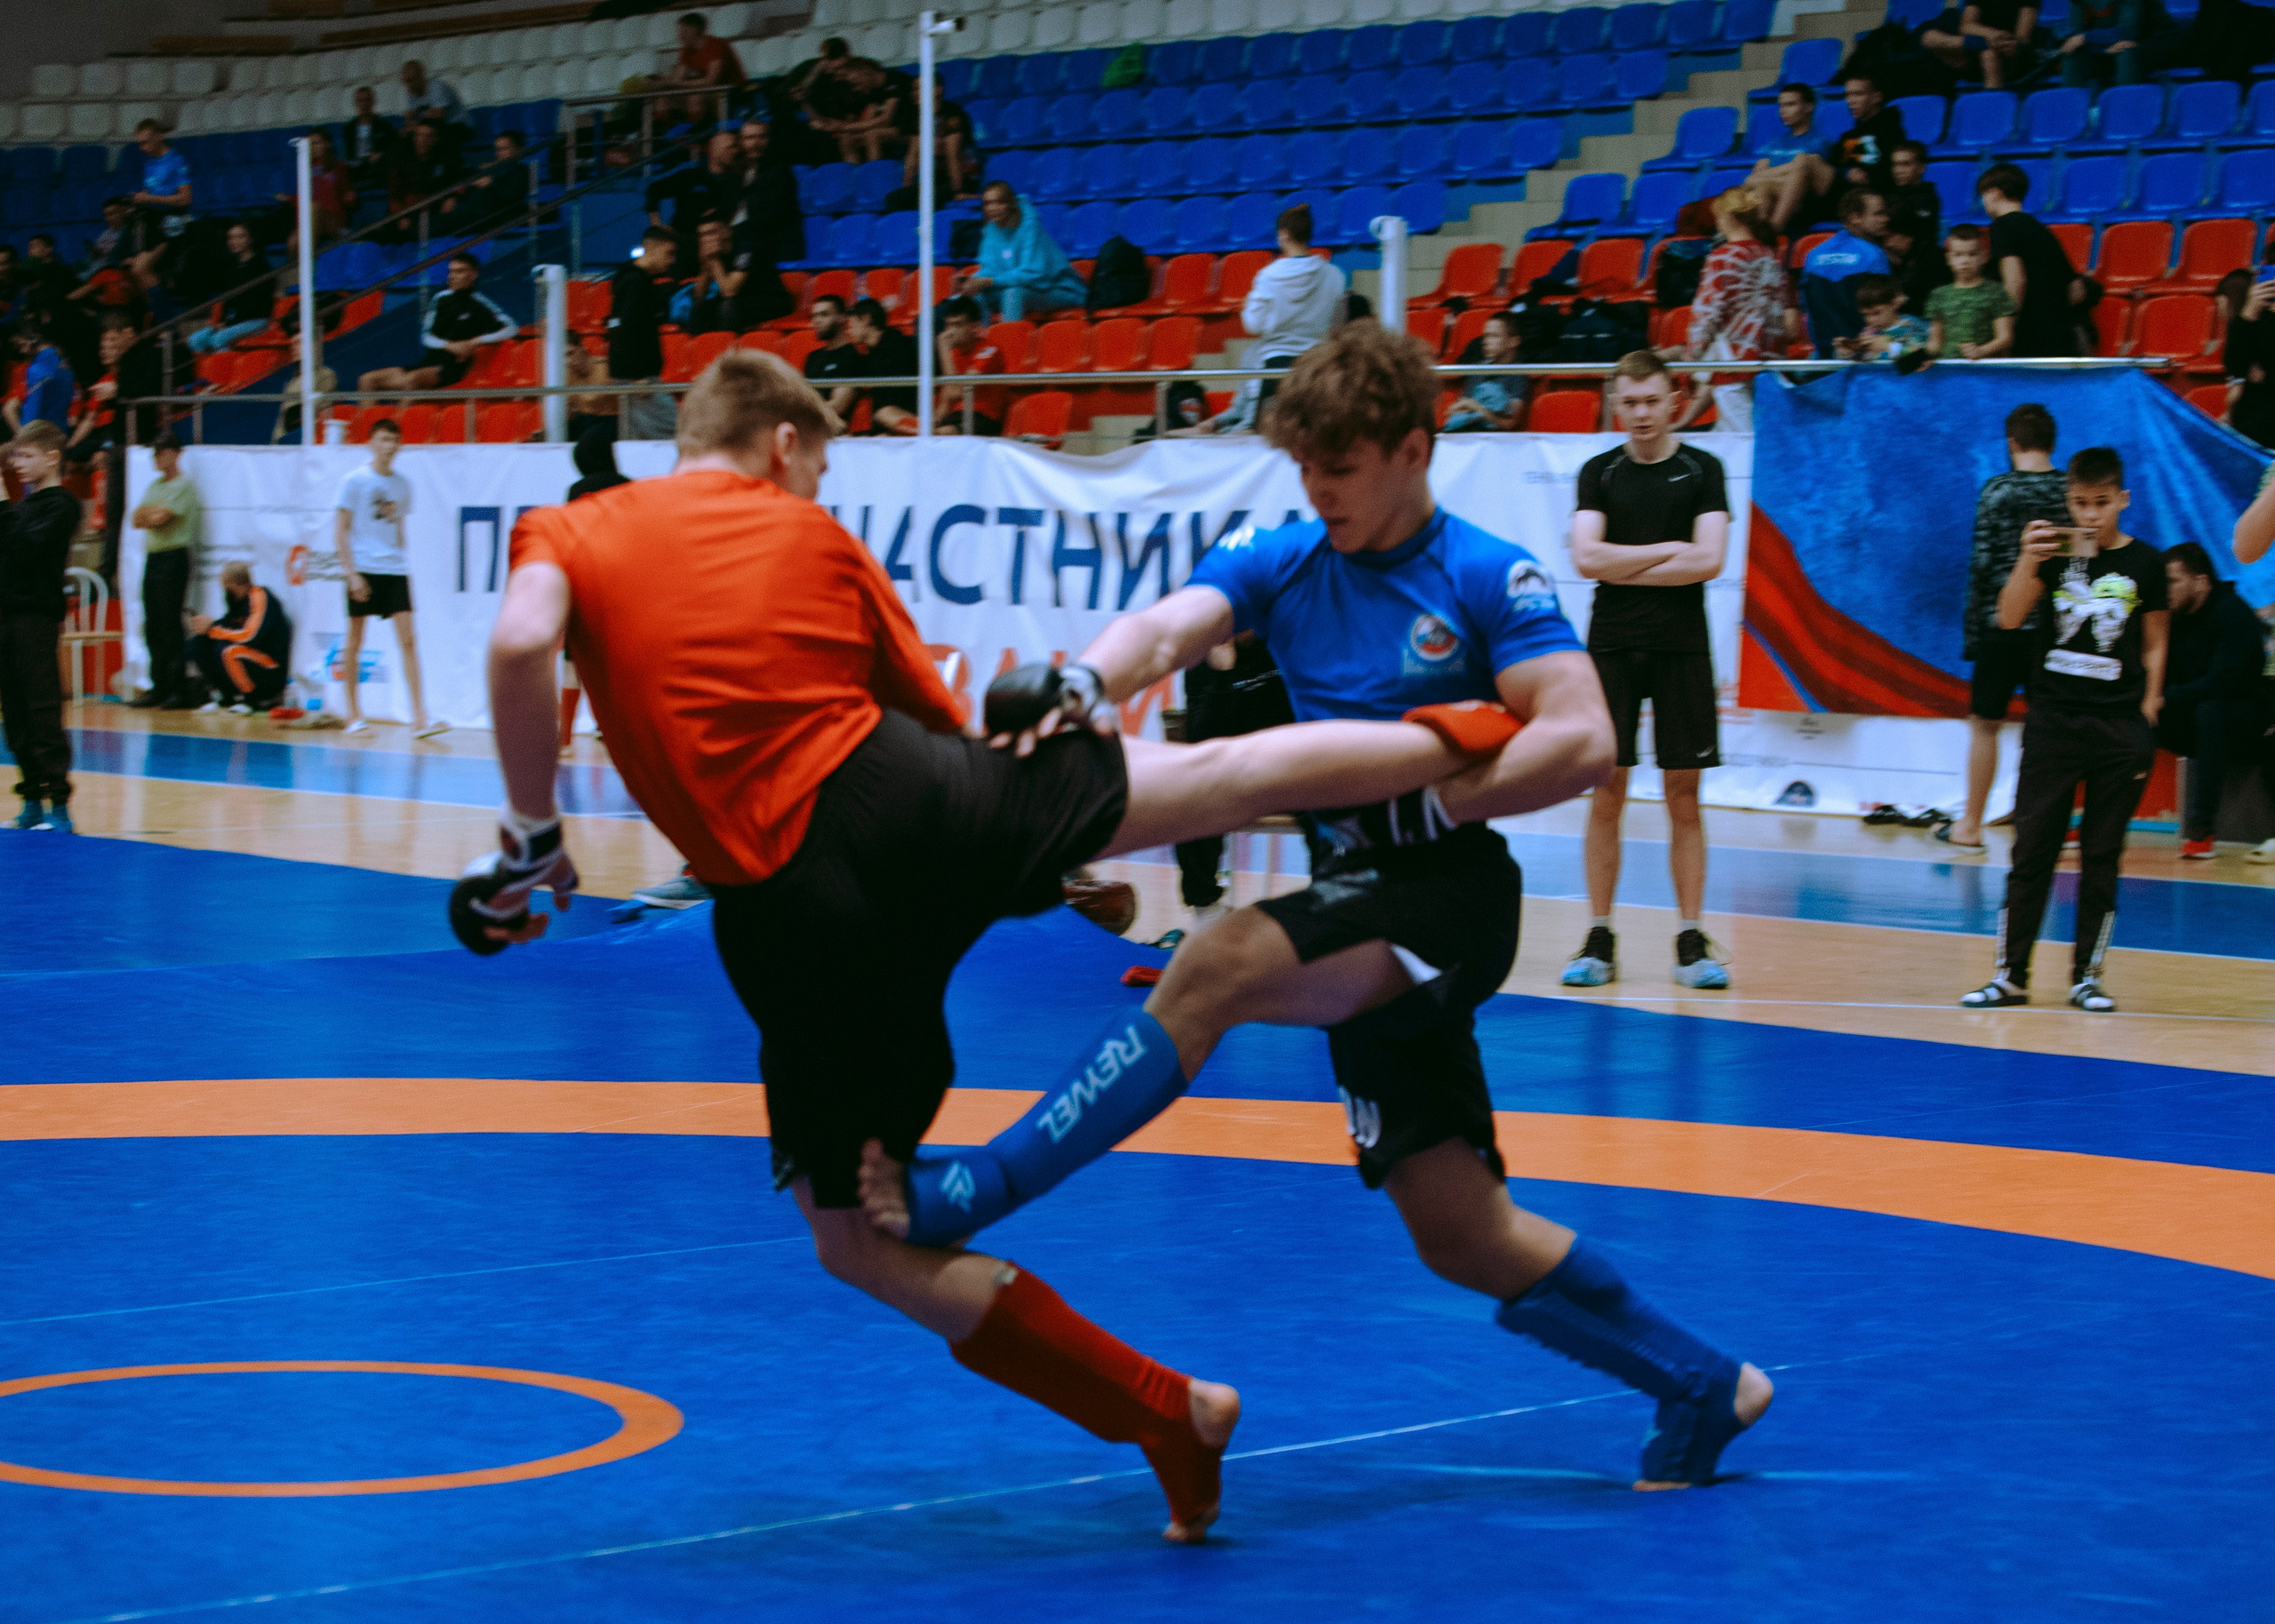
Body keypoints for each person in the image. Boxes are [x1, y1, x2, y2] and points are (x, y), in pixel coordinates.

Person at [467, 346, 1549, 1542]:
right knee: (1209, 778)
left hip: (788, 912)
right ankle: (1465, 729)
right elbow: (941, 727)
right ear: (784, 446)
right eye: (816, 473)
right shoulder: (812, 537)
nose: (811, 497)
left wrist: (529, 837)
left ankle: (1161, 1413)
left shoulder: (571, 530)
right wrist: (1049, 853)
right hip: (909, 804)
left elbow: (521, 645)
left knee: (855, 1239)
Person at [857, 325, 1773, 1493]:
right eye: (1304, 466)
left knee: (1218, 963)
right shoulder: (1288, 556)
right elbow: (1172, 625)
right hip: (1360, 900)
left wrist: (1436, 809)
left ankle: (984, 1186)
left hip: (1446, 896)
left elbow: (1586, 737)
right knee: (1460, 1231)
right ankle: (1704, 1382)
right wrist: (1089, 680)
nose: (1319, 489)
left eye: (1341, 465)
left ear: (1412, 449)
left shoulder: (1487, 574)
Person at [1962, 446, 2167, 1014]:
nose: (2091, 515)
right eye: (2081, 503)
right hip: (2053, 723)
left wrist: (2149, 706)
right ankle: (2010, 975)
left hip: (2117, 727)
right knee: (2033, 851)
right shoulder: (2051, 554)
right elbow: (2007, 617)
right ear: (2067, 500)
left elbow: (2155, 639)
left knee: (2102, 855)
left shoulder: (2147, 564)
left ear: (2122, 500)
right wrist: (2028, 561)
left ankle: (2087, 977)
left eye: (2102, 503)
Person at [1562, 352, 1733, 991]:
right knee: (1606, 791)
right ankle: (1599, 933)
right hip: (1611, 645)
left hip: (1681, 646)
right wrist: (1668, 549)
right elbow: (1586, 558)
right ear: (1616, 403)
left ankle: (1691, 938)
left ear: (1672, 399)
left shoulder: (1702, 469)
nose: (1640, 413)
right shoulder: (1598, 472)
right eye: (1629, 402)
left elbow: (1710, 560)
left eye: (1651, 401)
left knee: (1682, 795)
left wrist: (1621, 562)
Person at [1944, 402, 2069, 854]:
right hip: (2055, 629)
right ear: (2052, 443)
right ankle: (2049, 828)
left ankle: (1971, 825)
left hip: (2002, 623)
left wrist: (1974, 636)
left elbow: (1980, 567)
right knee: (2050, 729)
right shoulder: (2069, 491)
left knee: (1984, 727)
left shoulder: (1996, 491)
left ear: (2011, 443)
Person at [2157, 541, 2273, 859]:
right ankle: (2097, 819)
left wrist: (2166, 698)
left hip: (2249, 717)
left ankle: (2201, 830)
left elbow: (2223, 684)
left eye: (2172, 581)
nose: (2165, 589)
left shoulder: (2232, 613)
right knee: (2137, 715)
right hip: (2197, 715)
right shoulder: (2174, 620)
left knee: (2210, 712)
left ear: (2201, 581)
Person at [334, 419, 443, 739]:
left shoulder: (403, 485)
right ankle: (353, 714)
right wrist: (351, 574)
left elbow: (399, 528)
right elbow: (341, 530)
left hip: (394, 569)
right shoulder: (353, 481)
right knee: (355, 640)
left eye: (394, 440)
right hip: (364, 567)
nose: (389, 446)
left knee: (409, 640)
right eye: (383, 440)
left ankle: (420, 717)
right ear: (371, 443)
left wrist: (402, 558)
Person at [0, 421, 80, 832]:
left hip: (35, 618)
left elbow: (24, 549)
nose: (18, 465)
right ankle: (31, 796)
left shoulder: (62, 505)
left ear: (52, 457)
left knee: (41, 707)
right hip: (6, 616)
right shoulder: (21, 509)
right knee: (14, 713)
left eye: (26, 455)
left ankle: (59, 803)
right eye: (15, 456)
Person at [1681, 183, 1795, 433]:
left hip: (1734, 364)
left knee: (1742, 445)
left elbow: (1706, 316)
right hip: (1769, 365)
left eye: (1718, 216)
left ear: (1728, 217)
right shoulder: (1770, 256)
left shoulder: (1722, 257)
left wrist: (1690, 364)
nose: (1717, 222)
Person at [356, 251, 515, 397]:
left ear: (473, 274)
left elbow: (511, 328)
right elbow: (425, 337)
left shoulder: (480, 303)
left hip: (451, 368)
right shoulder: (440, 299)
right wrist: (449, 345)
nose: (452, 276)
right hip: (427, 363)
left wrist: (475, 341)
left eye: (459, 271)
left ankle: (400, 426)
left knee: (410, 381)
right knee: (367, 380)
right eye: (451, 271)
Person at [129, 434, 202, 710]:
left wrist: (152, 515)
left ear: (174, 454)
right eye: (154, 454)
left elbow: (161, 518)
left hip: (173, 558)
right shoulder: (155, 486)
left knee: (170, 624)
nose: (156, 459)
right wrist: (151, 515)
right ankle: (158, 686)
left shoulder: (183, 486)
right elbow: (137, 519)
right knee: (153, 624)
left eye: (161, 453)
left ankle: (177, 689)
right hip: (155, 558)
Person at [1979, 164, 2081, 359]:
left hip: (2027, 339)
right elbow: (2076, 289)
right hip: (2058, 337)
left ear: (1994, 193)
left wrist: (2006, 333)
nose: (1983, 203)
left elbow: (2015, 281)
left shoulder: (2002, 227)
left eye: (1983, 195)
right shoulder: (2043, 231)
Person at [958, 181, 1087, 322]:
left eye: (999, 203)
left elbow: (1034, 275)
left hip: (1056, 288)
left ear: (1011, 203)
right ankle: (984, 342)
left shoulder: (1030, 226)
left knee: (1013, 293)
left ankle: (1010, 343)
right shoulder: (990, 231)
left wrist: (989, 281)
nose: (993, 208)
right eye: (988, 203)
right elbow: (990, 269)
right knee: (976, 295)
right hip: (1019, 288)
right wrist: (973, 281)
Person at [185, 560, 292, 713]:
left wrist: (213, 630)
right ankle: (226, 697)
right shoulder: (236, 602)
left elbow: (251, 636)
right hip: (250, 657)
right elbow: (228, 625)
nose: (225, 590)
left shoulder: (260, 596)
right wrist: (206, 628)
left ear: (233, 584)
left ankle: (252, 700)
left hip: (270, 667)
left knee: (229, 650)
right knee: (198, 644)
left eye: (226, 586)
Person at [1800, 188, 1892, 359]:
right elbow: (1884, 311)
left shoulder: (1812, 255)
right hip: (1864, 355)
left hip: (1826, 355)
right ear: (1855, 217)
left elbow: (1809, 313)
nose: (1886, 219)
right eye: (1878, 214)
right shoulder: (1873, 255)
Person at [609, 227, 680, 442]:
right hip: (640, 379)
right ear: (652, 247)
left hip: (630, 376)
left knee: (635, 440)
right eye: (669, 253)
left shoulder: (628, 280)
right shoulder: (637, 283)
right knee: (679, 430)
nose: (672, 261)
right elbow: (628, 329)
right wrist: (638, 375)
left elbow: (618, 326)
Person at [646, 130, 745, 265]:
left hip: (715, 245)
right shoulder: (692, 176)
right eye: (728, 147)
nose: (733, 151)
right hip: (682, 241)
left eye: (735, 147)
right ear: (713, 149)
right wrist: (657, 225)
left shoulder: (737, 182)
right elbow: (653, 190)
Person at [682, 215, 794, 332]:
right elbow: (698, 295)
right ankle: (703, 348)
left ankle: (730, 349)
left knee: (727, 307)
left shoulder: (746, 248)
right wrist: (705, 268)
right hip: (741, 301)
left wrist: (714, 260)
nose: (706, 239)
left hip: (772, 300)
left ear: (726, 232)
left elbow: (729, 291)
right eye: (702, 235)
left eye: (711, 233)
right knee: (700, 308)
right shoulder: (715, 254)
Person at [1926, 224, 2016, 360]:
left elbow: (2006, 338)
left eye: (1972, 254)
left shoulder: (1995, 292)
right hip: (1949, 373)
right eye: (1958, 255)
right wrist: (1919, 359)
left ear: (1984, 257)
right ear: (1948, 258)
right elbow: (1935, 342)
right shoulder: (1939, 295)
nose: (1965, 261)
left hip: (1983, 374)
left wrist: (1981, 351)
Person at [1749, 83, 1828, 233]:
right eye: (1781, 106)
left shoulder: (1821, 142)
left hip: (1803, 205)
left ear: (1808, 107)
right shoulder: (1773, 144)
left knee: (1763, 184)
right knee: (1759, 188)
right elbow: (1754, 177)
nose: (1783, 111)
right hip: (1771, 200)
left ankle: (1770, 232)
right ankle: (1762, 236)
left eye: (1790, 104)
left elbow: (1803, 177)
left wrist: (1767, 177)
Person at [730, 117, 805, 270]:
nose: (756, 143)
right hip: (749, 244)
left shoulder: (779, 172)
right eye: (750, 138)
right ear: (741, 142)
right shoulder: (738, 175)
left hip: (776, 248)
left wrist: (732, 232)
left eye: (761, 137)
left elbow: (771, 217)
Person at [187, 223, 272, 354]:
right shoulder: (232, 268)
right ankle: (208, 370)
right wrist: (221, 321)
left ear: (250, 239)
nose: (234, 241)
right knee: (195, 340)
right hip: (234, 322)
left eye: (240, 237)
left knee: (219, 338)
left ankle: (224, 372)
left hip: (257, 320)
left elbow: (256, 306)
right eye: (231, 238)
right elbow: (228, 300)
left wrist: (228, 323)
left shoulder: (261, 268)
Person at [1819, 75, 1908, 200]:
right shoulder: (1848, 136)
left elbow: (1890, 174)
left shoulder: (1891, 131)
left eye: (1858, 94)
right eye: (1848, 95)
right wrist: (1847, 172)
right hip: (1842, 196)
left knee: (1805, 163)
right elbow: (1832, 165)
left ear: (1876, 97)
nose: (1850, 101)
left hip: (1872, 197)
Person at [126, 120, 193, 286]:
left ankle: (162, 309)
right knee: (135, 271)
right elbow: (155, 193)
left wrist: (150, 198)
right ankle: (156, 307)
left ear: (158, 137)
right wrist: (141, 199)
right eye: (139, 144)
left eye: (145, 142)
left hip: (171, 223)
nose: (142, 148)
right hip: (153, 223)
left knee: (140, 269)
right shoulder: (149, 163)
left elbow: (185, 198)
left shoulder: (176, 160)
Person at [1883, 141, 1946, 308]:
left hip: (1923, 271)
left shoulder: (1927, 197)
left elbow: (1910, 243)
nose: (1898, 170)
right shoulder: (1888, 196)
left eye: (1905, 164)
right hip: (1894, 268)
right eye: (1895, 164)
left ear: (1921, 167)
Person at [1442, 309, 1528, 432]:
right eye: (1486, 336)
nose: (1485, 342)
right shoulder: (1478, 368)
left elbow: (1510, 424)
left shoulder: (1519, 373)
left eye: (1494, 336)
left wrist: (1477, 408)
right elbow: (1458, 409)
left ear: (1513, 342)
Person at [1921, 0, 2042, 87]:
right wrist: (1991, 36)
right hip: (1977, 47)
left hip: (2008, 54)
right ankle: (1980, 45)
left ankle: (1991, 104)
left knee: (1988, 55)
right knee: (1929, 37)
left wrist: (2001, 40)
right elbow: (1967, 26)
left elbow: (2022, 39)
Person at [933, 296, 1008, 436]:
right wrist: (935, 420)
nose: (951, 332)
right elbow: (948, 396)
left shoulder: (990, 350)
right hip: (957, 417)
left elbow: (959, 391)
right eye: (949, 325)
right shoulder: (954, 354)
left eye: (958, 325)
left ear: (974, 327)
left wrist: (943, 349)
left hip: (985, 419)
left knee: (941, 435)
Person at [2061, 0, 2183, 84]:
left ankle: (2127, 111)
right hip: (2109, 48)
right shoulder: (2077, 1)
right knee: (2072, 56)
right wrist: (2103, 50)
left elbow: (2127, 32)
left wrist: (2085, 38)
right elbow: (2074, 37)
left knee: (2126, 51)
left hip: (2153, 43)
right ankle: (2069, 114)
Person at [848, 296, 920, 434]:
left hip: (903, 421)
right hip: (883, 426)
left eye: (851, 325)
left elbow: (899, 397)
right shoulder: (872, 354)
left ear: (867, 320)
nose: (849, 331)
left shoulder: (897, 345)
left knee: (884, 414)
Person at [384, 120, 465, 241]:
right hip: (408, 211)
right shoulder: (402, 161)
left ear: (435, 139)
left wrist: (453, 197)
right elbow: (394, 194)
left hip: (435, 210)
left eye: (427, 136)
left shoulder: (444, 158)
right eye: (419, 135)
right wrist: (401, 216)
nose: (422, 140)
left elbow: (459, 180)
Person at [2222, 267, 2275, 447]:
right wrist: (2249, 312)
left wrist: (2265, 376)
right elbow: (2236, 367)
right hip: (2255, 434)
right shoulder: (2251, 321)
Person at [663, 11, 745, 124]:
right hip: (707, 92)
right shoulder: (686, 50)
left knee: (695, 97)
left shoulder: (716, 45)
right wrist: (663, 83)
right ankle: (665, 137)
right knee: (663, 99)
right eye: (679, 32)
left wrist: (675, 83)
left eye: (684, 31)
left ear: (695, 30)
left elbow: (710, 81)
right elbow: (677, 79)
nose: (680, 36)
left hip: (730, 92)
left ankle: (696, 134)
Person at [443, 131, 530, 232]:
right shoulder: (485, 169)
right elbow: (464, 184)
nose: (499, 153)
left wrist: (492, 183)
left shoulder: (521, 171)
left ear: (518, 149)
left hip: (487, 216)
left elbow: (514, 194)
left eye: (504, 149)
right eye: (497, 150)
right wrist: (453, 196)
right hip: (465, 212)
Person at [1835, 273, 1931, 362]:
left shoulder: (1912, 325)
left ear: (1895, 303)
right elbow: (1864, 359)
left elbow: (1925, 356)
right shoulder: (1869, 332)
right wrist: (1848, 351)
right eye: (1865, 315)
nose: (1870, 320)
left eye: (1877, 313)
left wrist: (1888, 346)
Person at [5, 320, 76, 435]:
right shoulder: (66, 368)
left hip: (40, 436)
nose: (20, 350)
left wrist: (24, 438)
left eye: (21, 343)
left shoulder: (36, 369)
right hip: (56, 435)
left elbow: (22, 412)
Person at [802, 291, 864, 421]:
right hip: (808, 423)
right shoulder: (813, 357)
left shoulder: (852, 357)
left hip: (829, 429)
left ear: (842, 317)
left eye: (824, 315)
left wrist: (801, 414)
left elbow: (838, 407)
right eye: (814, 316)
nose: (816, 321)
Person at [337, 87, 398, 197]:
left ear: (373, 102)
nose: (364, 104)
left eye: (367, 100)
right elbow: (348, 153)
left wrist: (381, 154)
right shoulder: (349, 128)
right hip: (356, 165)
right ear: (356, 103)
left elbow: (395, 146)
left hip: (376, 165)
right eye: (361, 101)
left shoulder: (383, 125)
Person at [398, 61, 467, 135]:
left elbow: (437, 115)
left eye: (411, 80)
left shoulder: (437, 87)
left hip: (457, 125)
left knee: (428, 135)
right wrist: (410, 126)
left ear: (421, 77)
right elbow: (409, 116)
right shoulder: (411, 91)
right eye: (406, 81)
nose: (409, 85)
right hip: (435, 126)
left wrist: (415, 127)